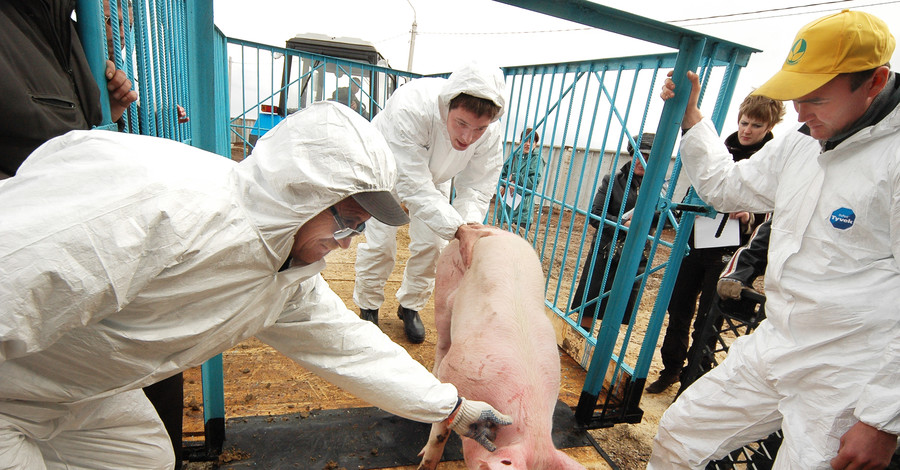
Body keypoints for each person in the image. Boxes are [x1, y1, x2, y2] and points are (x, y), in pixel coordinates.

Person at [0, 102, 512, 469]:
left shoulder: (285, 272)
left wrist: (452, 407)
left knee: (144, 455)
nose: (350, 240)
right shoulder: (165, 210)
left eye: (360, 228)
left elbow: (349, 348)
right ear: (303, 193)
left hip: (78, 391)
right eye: (348, 222)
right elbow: (20, 270)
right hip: (10, 386)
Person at [651, 10, 900, 468]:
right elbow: (726, 186)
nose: (800, 112)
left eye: (817, 99)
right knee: (681, 434)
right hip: (778, 340)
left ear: (874, 81)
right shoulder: (802, 143)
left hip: (849, 368)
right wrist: (692, 118)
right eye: (797, 96)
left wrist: (883, 418)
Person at [353, 62, 507, 344]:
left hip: (435, 176)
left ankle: (410, 306)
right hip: (386, 171)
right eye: (461, 123)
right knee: (380, 244)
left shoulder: (490, 133)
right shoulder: (412, 107)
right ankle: (369, 306)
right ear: (447, 105)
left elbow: (477, 185)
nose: (467, 137)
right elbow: (412, 186)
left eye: (479, 129)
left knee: (432, 245)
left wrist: (469, 225)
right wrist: (458, 230)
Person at [645, 94, 783, 394]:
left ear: (770, 126)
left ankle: (692, 381)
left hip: (730, 253)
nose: (747, 130)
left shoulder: (773, 161)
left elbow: (777, 216)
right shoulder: (720, 150)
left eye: (756, 125)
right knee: (678, 309)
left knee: (708, 320)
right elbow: (697, 187)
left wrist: (750, 216)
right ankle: (671, 369)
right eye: (744, 122)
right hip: (696, 242)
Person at [0, 0, 137, 178]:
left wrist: (105, 113)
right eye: (111, 21)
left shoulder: (67, 36)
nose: (122, 33)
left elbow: (75, 131)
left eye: (128, 25)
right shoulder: (77, 37)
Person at [570, 133, 655, 329]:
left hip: (636, 253)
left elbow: (667, 221)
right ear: (631, 155)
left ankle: (603, 350)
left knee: (618, 308)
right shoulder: (612, 181)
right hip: (605, 250)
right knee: (590, 303)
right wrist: (622, 224)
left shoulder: (659, 188)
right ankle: (581, 341)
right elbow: (595, 214)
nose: (642, 161)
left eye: (649, 157)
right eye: (639, 155)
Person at [498, 127, 543, 229]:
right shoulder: (514, 156)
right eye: (525, 140)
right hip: (506, 208)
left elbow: (532, 184)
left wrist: (514, 177)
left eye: (531, 141)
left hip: (523, 211)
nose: (527, 144)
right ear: (520, 141)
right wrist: (507, 183)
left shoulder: (537, 159)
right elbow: (502, 175)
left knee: (519, 241)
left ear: (535, 144)